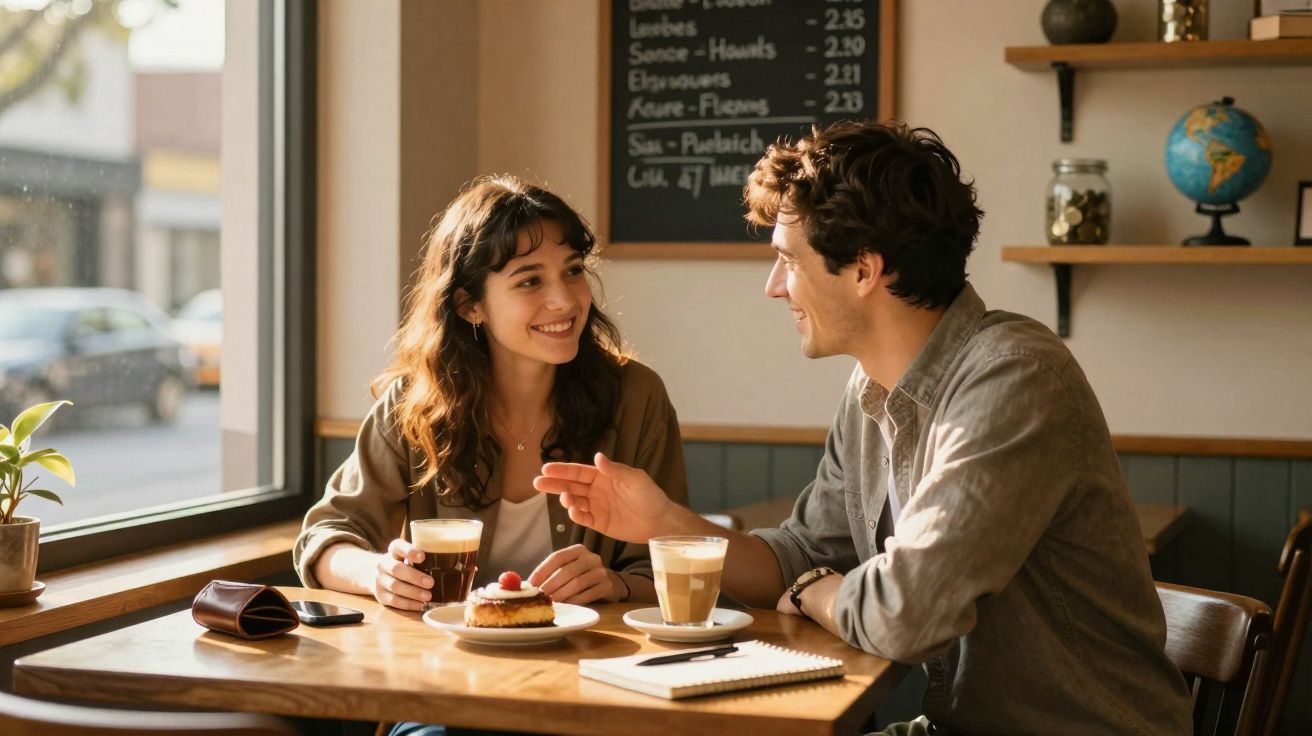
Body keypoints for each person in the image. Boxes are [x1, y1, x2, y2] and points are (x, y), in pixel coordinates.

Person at [535, 122, 1193, 734]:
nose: (773, 286)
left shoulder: (1015, 378)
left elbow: (903, 615)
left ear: (863, 269)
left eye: (788, 260)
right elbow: (799, 553)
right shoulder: (871, 390)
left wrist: (817, 593)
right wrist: (663, 523)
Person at [295, 175, 688, 615]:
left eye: (573, 270)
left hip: (593, 663)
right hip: (446, 665)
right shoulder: (415, 404)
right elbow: (326, 537)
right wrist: (378, 574)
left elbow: (677, 559)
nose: (564, 300)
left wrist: (616, 584)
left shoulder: (636, 396)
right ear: (469, 306)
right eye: (529, 281)